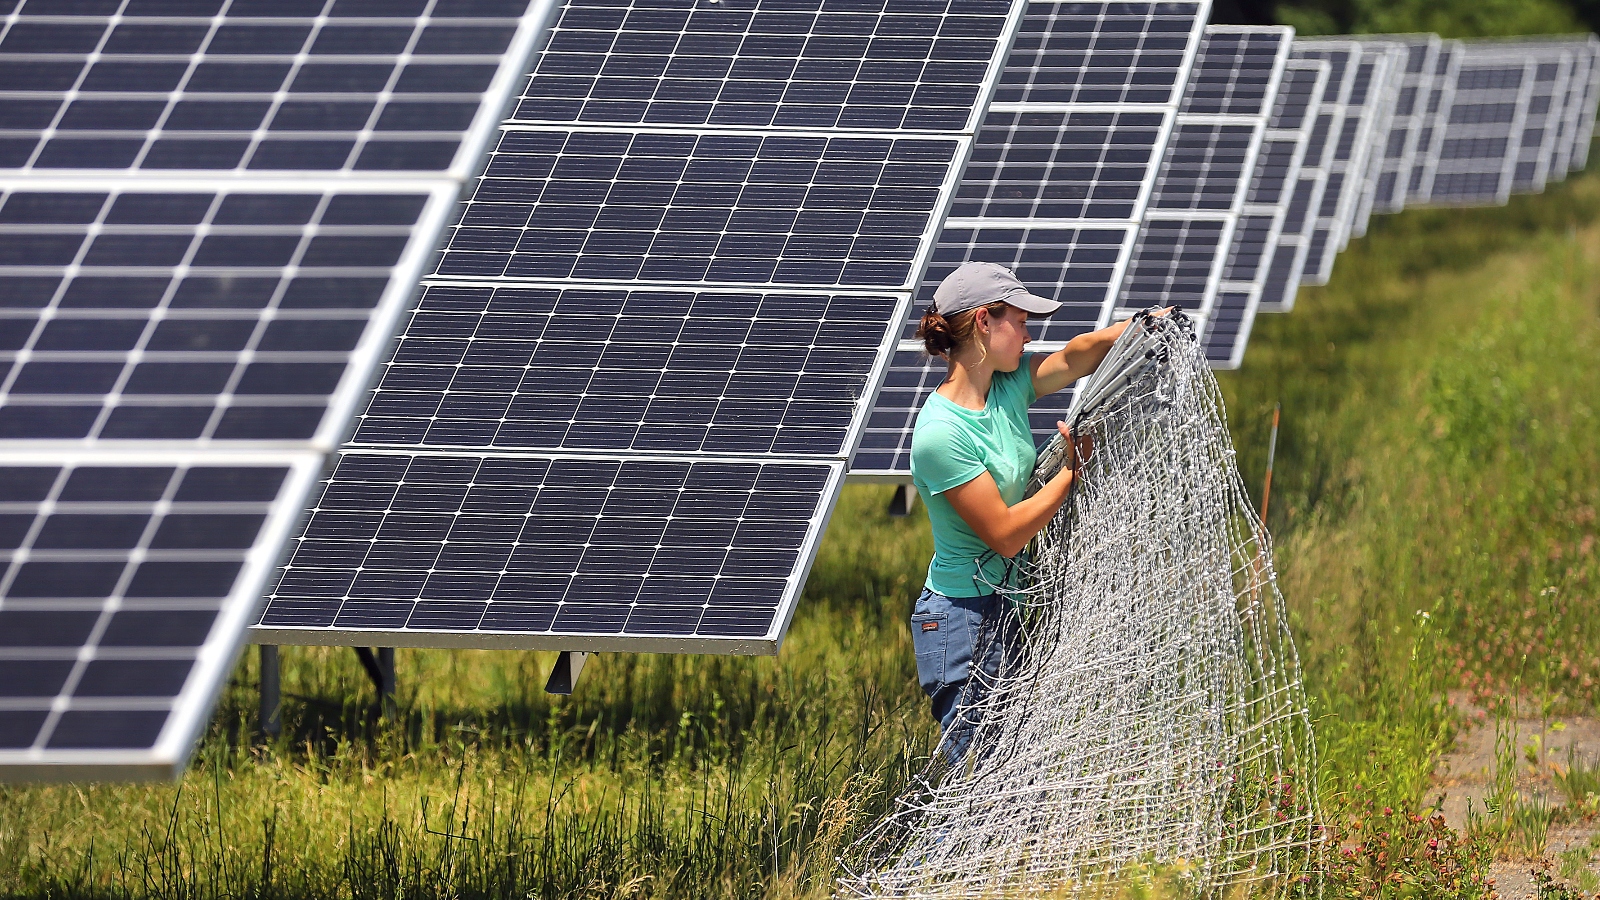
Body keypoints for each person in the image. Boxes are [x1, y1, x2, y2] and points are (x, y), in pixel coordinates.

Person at [908, 261, 1150, 758]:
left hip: (1005, 605)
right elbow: (1005, 533)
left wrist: (1141, 327)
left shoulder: (1007, 384)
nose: (1027, 331)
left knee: (1009, 769)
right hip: (961, 620)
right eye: (1018, 320)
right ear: (982, 323)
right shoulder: (940, 435)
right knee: (979, 781)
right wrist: (1069, 473)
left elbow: (1074, 356)